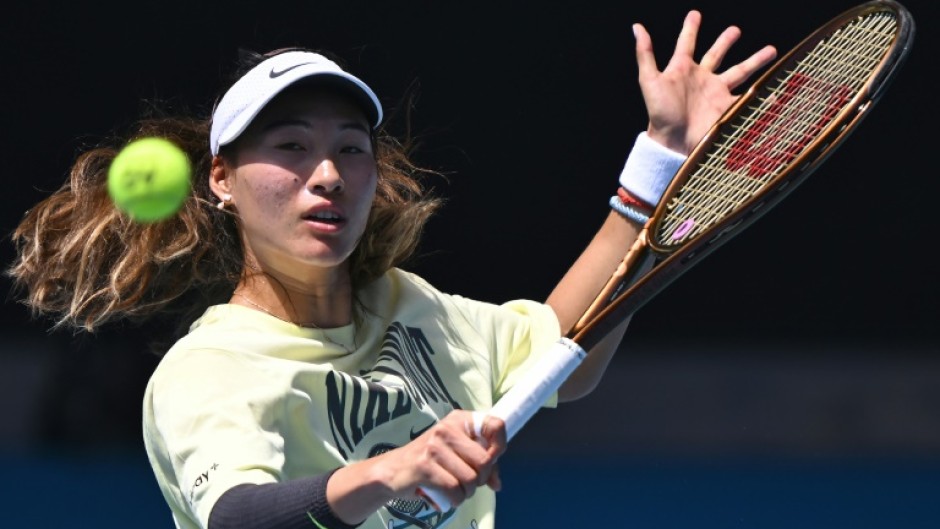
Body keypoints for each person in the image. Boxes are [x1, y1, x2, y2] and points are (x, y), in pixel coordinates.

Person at [7, 10, 775, 529]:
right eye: (291, 147)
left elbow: (562, 356)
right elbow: (239, 515)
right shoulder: (209, 369)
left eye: (349, 146)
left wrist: (662, 156)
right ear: (221, 180)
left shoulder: (408, 307)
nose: (329, 174)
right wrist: (386, 471)